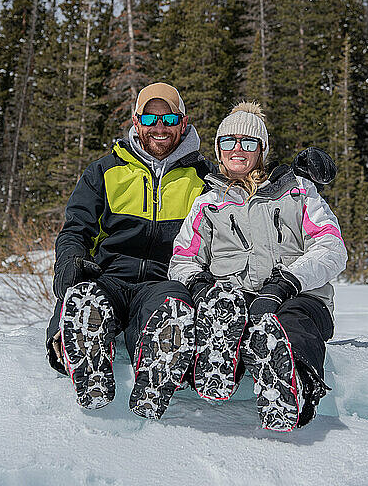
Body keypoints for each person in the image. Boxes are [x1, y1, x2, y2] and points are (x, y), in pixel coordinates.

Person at [168, 101, 348, 431]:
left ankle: (294, 385)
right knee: (215, 317)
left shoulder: (298, 190)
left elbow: (332, 247)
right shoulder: (208, 203)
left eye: (248, 142)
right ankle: (215, 370)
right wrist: (198, 284)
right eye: (229, 142)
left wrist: (286, 283)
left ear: (261, 149)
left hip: (299, 298)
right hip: (233, 303)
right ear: (219, 150)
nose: (238, 149)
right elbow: (182, 258)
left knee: (288, 324)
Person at [46, 82, 215, 419]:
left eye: (168, 118)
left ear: (184, 123)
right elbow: (76, 228)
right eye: (151, 119)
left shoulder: (204, 178)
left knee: (172, 309)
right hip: (108, 275)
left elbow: (239, 205)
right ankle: (80, 350)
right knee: (87, 298)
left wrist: (289, 179)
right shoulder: (105, 171)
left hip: (165, 279)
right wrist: (70, 262)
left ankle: (158, 366)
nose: (160, 127)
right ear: (137, 123)